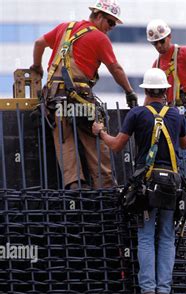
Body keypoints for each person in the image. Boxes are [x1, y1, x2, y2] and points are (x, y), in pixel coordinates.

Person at [92, 68, 186, 294]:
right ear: (165, 91)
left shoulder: (137, 114)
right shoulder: (177, 115)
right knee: (166, 237)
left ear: (146, 91)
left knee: (146, 237)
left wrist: (100, 132)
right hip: (171, 186)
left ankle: (148, 293)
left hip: (147, 185)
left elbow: (116, 146)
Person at [30, 0, 138, 190]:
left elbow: (39, 43)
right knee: (94, 135)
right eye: (110, 23)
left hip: (55, 98)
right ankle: (104, 186)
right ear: (98, 16)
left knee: (64, 139)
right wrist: (129, 91)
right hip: (80, 97)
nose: (111, 28)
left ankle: (75, 184)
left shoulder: (65, 28)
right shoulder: (99, 38)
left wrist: (37, 66)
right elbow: (115, 68)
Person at [147, 19, 186, 191]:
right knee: (171, 153)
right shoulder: (155, 65)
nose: (158, 45)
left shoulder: (185, 53)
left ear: (169, 37)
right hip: (168, 112)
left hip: (185, 109)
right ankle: (176, 191)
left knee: (183, 152)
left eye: (161, 41)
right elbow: (150, 96)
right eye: (154, 43)